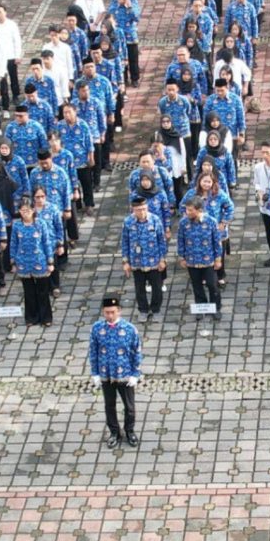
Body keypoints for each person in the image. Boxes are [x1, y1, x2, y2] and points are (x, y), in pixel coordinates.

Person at [90, 291, 142, 446]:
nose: (110, 315)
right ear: (103, 312)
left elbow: (137, 352)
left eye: (113, 312)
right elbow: (93, 351)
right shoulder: (97, 328)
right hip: (106, 374)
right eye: (107, 312)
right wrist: (95, 373)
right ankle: (114, 432)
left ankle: (129, 431)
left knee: (129, 407)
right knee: (109, 406)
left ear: (119, 311)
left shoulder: (129, 329)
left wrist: (135, 374)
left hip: (125, 374)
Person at [120, 181, 170, 319]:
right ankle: (143, 310)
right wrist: (125, 262)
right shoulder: (128, 222)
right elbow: (124, 242)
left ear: (147, 208)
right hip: (137, 262)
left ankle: (156, 309)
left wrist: (163, 259)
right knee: (139, 289)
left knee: (157, 288)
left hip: (154, 261)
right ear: (133, 209)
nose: (141, 212)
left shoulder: (155, 220)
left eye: (143, 209)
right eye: (138, 210)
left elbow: (162, 241)